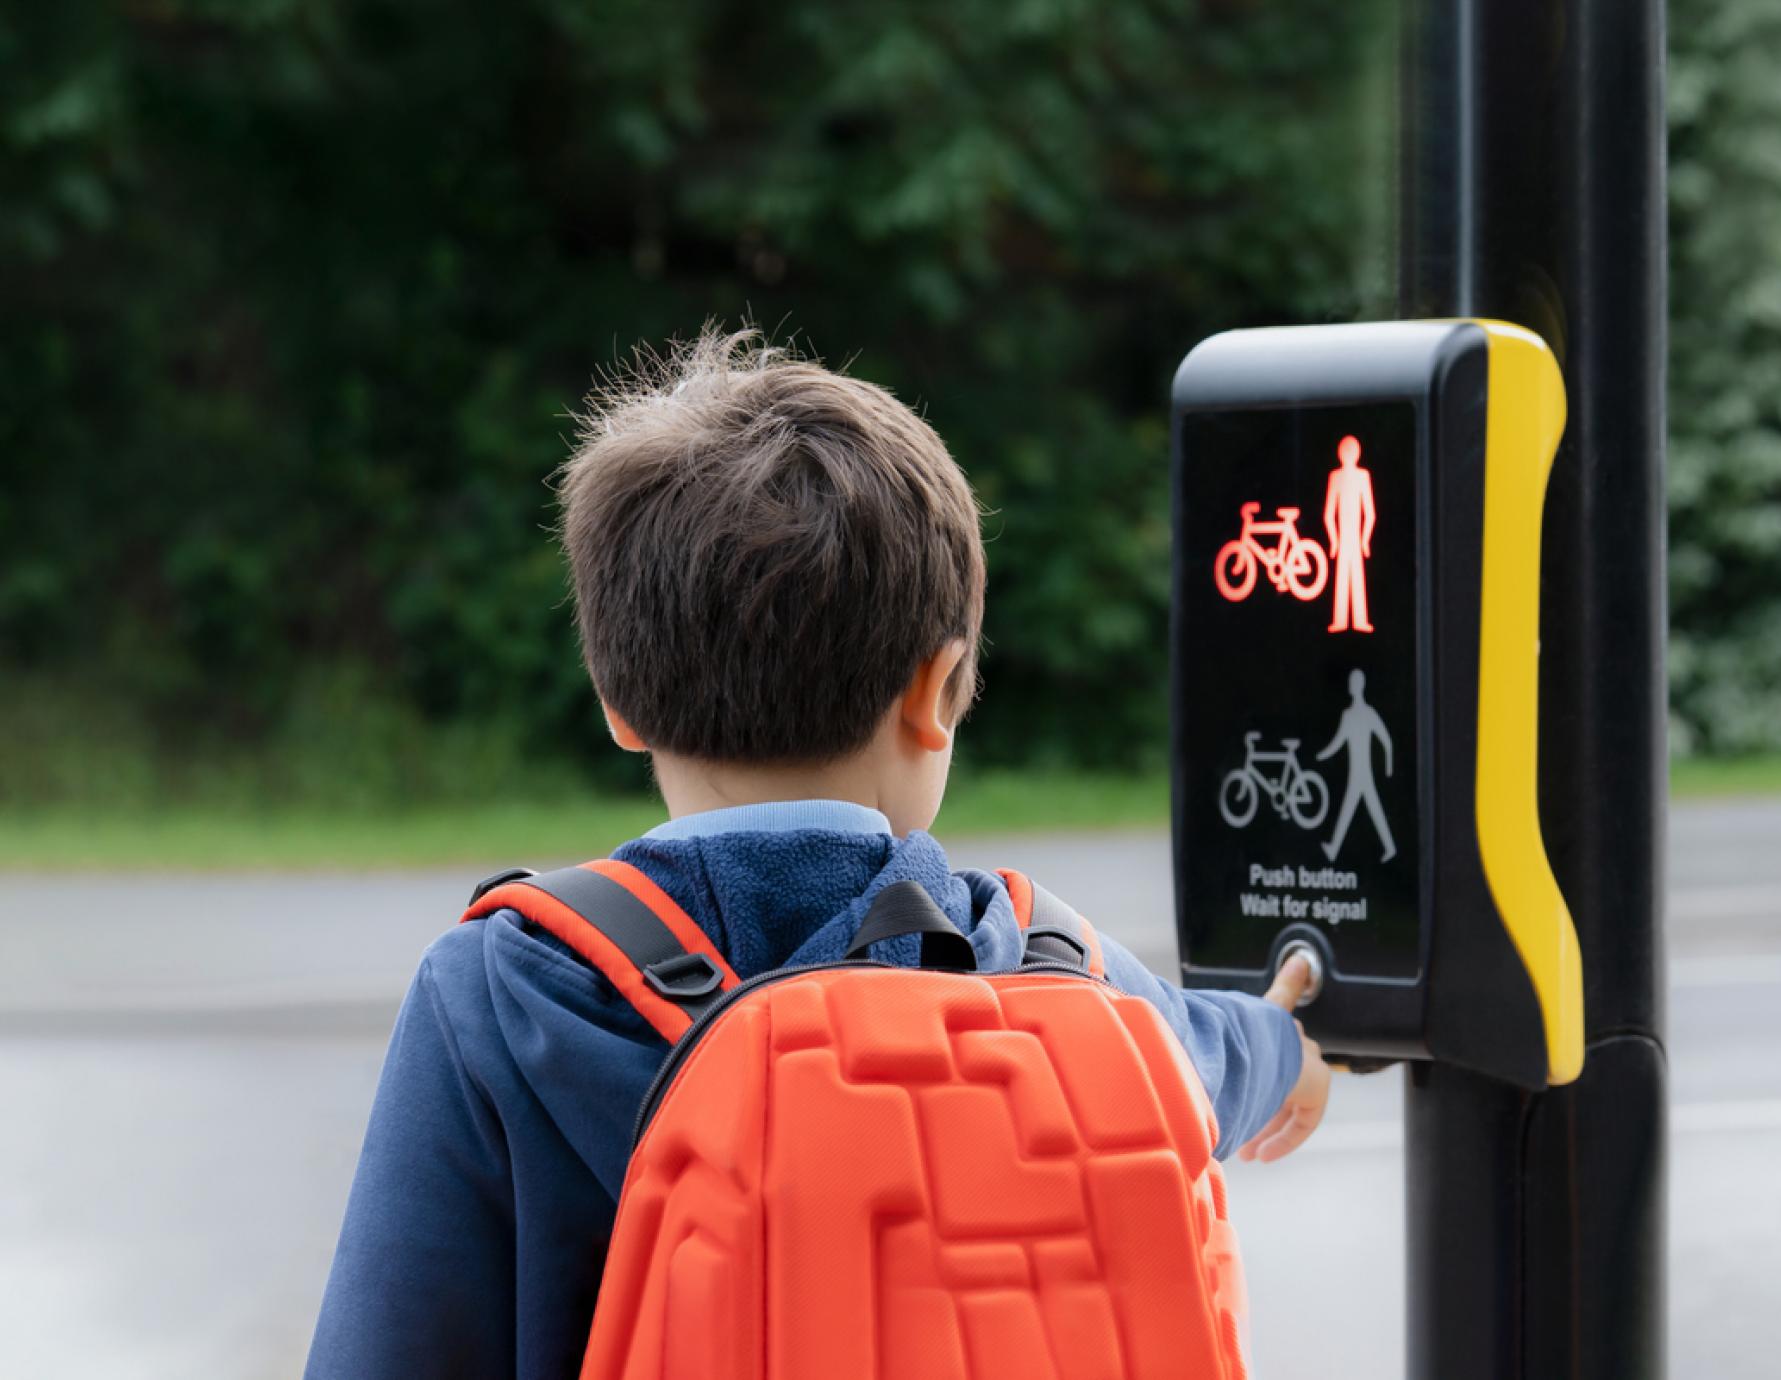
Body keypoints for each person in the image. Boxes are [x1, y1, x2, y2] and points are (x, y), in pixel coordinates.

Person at [304, 328, 1330, 1378]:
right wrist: (1290, 1050)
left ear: (615, 703)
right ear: (937, 692)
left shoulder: (503, 993)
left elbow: (390, 1341)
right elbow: (1219, 1054)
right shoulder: (1052, 965)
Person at [1317, 668, 1396, 863]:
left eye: (1354, 682)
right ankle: (1388, 847)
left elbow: (1387, 741)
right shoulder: (1349, 715)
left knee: (1356, 809)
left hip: (1362, 774)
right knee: (1365, 809)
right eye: (1350, 682)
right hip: (1358, 774)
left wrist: (1388, 767)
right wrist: (1323, 755)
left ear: (1360, 686)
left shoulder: (1367, 714)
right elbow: (1338, 742)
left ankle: (1335, 848)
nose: (1351, 686)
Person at [1322, 433, 1377, 633]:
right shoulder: (1335, 477)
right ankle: (1340, 620)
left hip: (1354, 534)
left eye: (1351, 451)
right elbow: (1328, 513)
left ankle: (1360, 620)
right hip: (1344, 535)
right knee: (1342, 577)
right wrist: (1334, 540)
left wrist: (1365, 539)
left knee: (1357, 577)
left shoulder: (1364, 477)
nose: (1348, 455)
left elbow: (1370, 513)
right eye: (1345, 451)